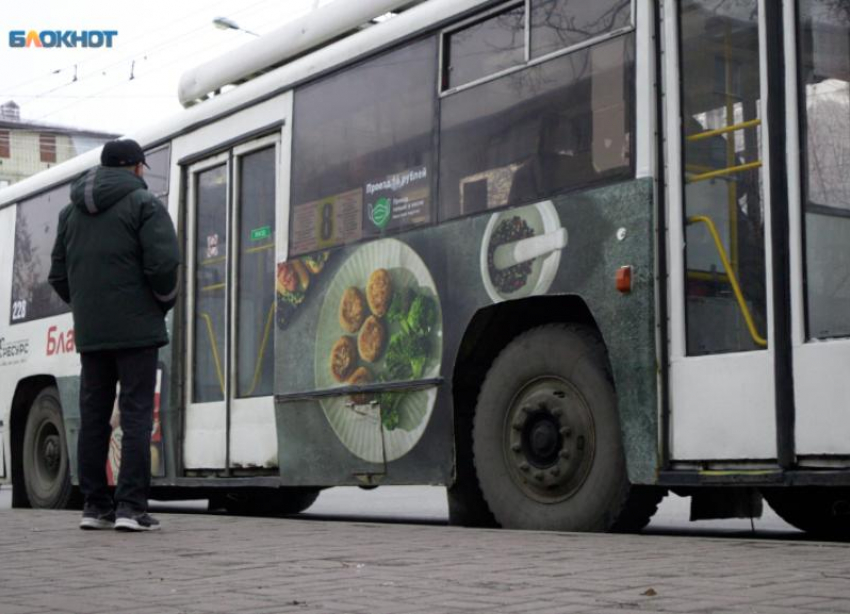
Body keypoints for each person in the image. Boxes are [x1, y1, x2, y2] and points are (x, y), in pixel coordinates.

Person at [49, 139, 180, 532]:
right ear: (136, 168)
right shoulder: (145, 205)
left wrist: (89, 309)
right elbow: (164, 263)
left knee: (94, 417)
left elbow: (58, 274)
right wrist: (161, 303)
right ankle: (131, 508)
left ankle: (94, 506)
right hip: (137, 330)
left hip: (93, 334)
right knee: (137, 416)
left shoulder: (69, 214)